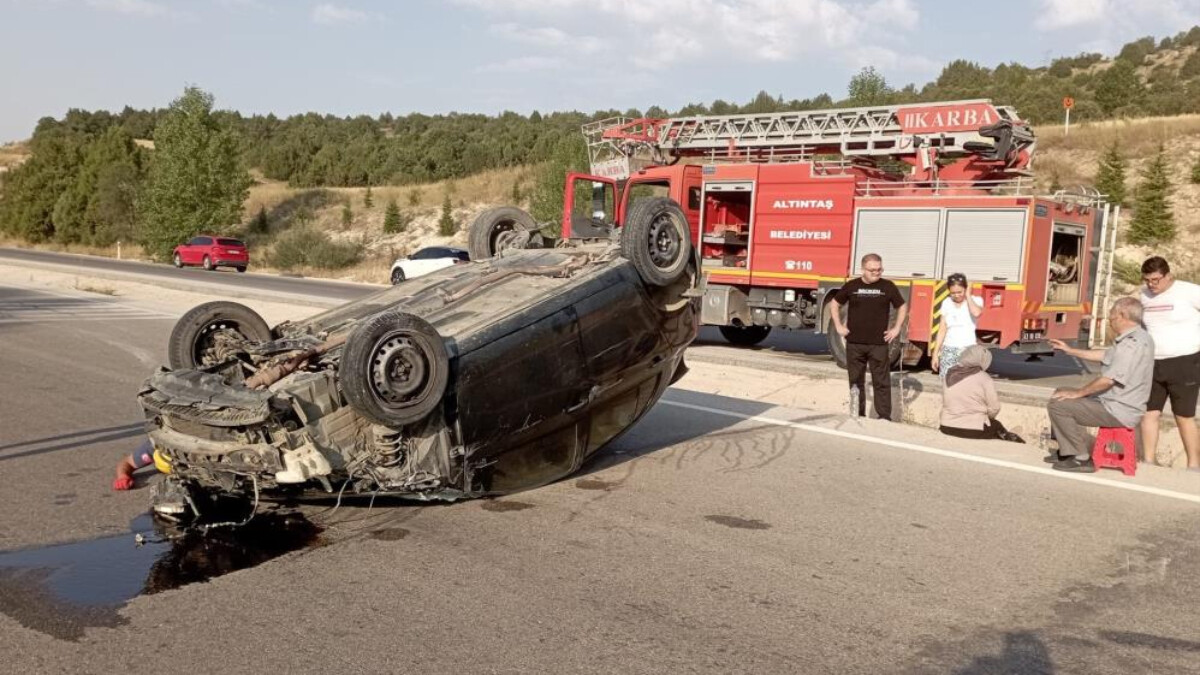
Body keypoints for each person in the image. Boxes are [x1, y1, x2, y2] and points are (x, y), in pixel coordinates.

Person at [1046, 297, 1155, 473]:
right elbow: (1105, 356)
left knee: (1059, 405)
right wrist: (1070, 350)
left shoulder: (1131, 344)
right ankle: (1067, 451)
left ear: (1122, 315)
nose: (1110, 317)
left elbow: (1108, 380)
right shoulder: (1139, 337)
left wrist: (1079, 393)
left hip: (1119, 410)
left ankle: (1080, 457)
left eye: (1112, 313)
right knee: (1060, 392)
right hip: (1116, 403)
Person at [1137, 256, 1200, 470]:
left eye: (1155, 280)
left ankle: (1193, 465)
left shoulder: (1189, 291)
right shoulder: (1143, 295)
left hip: (1184, 362)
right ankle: (1149, 460)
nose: (1151, 285)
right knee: (1149, 413)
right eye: (1147, 280)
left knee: (1183, 415)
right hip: (1153, 363)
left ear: (1168, 275)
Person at [830, 253, 908, 421]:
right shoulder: (852, 286)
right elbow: (835, 304)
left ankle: (884, 417)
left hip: (878, 344)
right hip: (854, 344)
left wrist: (896, 329)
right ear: (863, 269)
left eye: (879, 270)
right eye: (872, 270)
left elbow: (902, 306)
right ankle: (857, 414)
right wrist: (838, 325)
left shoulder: (888, 287)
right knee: (855, 382)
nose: (876, 273)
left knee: (881, 382)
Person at [939, 345, 1023, 442]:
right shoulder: (984, 378)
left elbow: (946, 402)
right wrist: (986, 418)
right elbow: (994, 407)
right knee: (997, 426)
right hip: (973, 430)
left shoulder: (949, 374)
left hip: (946, 427)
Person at [931, 272, 983, 379]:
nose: (956, 295)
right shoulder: (946, 303)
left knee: (966, 386)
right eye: (953, 293)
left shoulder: (976, 300)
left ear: (965, 288)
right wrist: (935, 354)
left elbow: (977, 313)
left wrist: (968, 295)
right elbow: (942, 330)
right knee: (948, 385)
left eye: (960, 292)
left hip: (968, 350)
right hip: (949, 350)